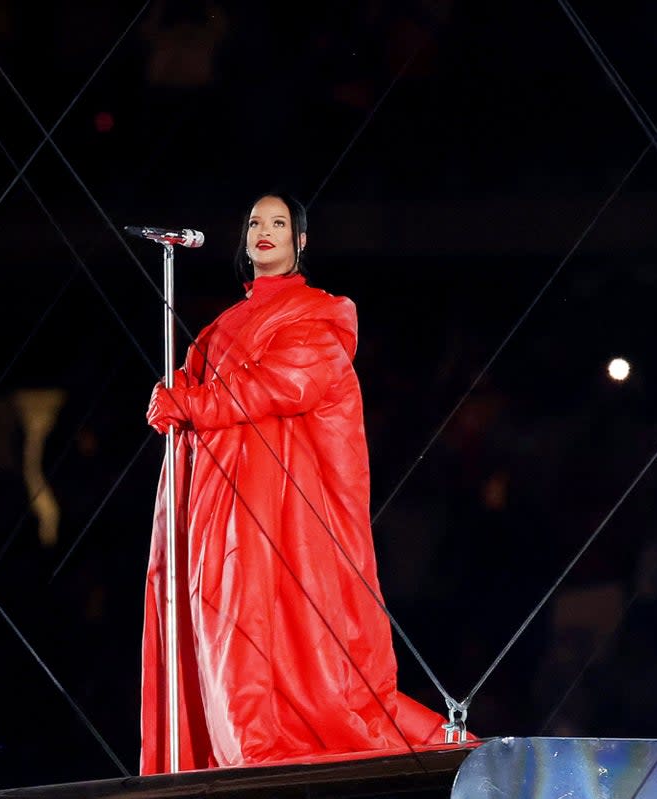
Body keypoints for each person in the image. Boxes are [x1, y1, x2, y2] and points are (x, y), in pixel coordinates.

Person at [141, 193, 449, 774]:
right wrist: (174, 397)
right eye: (255, 222)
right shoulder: (215, 329)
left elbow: (290, 382)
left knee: (268, 632)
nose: (265, 231)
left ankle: (259, 756)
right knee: (220, 629)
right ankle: (236, 755)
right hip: (217, 505)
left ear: (300, 241)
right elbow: (195, 390)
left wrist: (192, 403)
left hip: (281, 513)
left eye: (278, 223)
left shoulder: (319, 314)